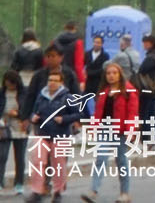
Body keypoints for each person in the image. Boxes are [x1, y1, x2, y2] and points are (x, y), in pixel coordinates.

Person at [85, 59, 140, 201]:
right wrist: (93, 127)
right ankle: (94, 191)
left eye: (114, 73)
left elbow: (132, 113)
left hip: (120, 131)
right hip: (105, 128)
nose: (111, 76)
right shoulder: (103, 92)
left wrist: (130, 131)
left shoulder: (128, 91)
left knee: (121, 161)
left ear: (120, 74)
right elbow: (98, 113)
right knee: (101, 158)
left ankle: (125, 193)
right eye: (108, 73)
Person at [25, 64, 79, 203]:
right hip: (41, 133)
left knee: (58, 164)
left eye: (55, 80)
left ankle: (57, 191)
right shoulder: (41, 96)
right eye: (50, 80)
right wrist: (33, 117)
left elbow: (78, 114)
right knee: (37, 161)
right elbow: (34, 111)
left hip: (60, 135)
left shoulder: (68, 97)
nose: (52, 83)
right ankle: (37, 190)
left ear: (61, 82)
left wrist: (64, 119)